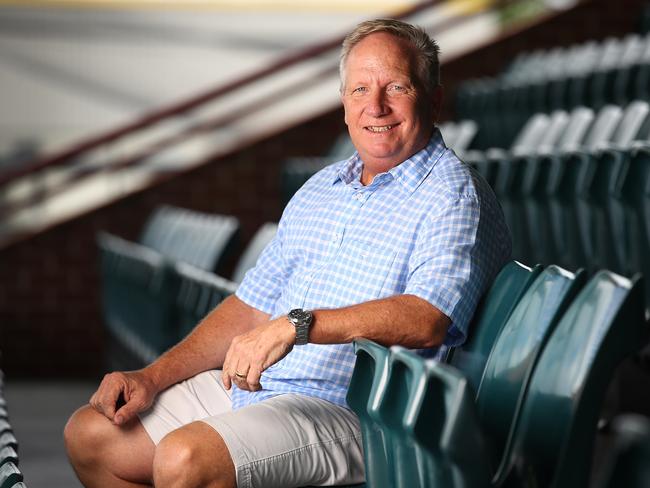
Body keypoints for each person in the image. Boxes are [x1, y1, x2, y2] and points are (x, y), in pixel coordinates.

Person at [64, 18, 511, 488]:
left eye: (395, 86)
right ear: (344, 105)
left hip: (360, 412)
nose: (375, 106)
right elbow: (251, 307)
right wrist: (152, 377)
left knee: (185, 460)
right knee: (93, 436)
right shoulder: (322, 187)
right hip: (262, 391)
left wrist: (296, 325)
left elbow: (428, 318)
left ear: (434, 98)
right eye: (359, 90)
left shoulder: (453, 194)